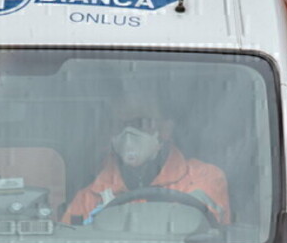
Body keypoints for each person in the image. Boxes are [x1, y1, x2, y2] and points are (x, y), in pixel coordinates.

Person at [63, 95, 230, 225]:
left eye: (140, 123)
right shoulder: (89, 196)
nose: (128, 133)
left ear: (166, 128)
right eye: (119, 125)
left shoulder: (204, 178)